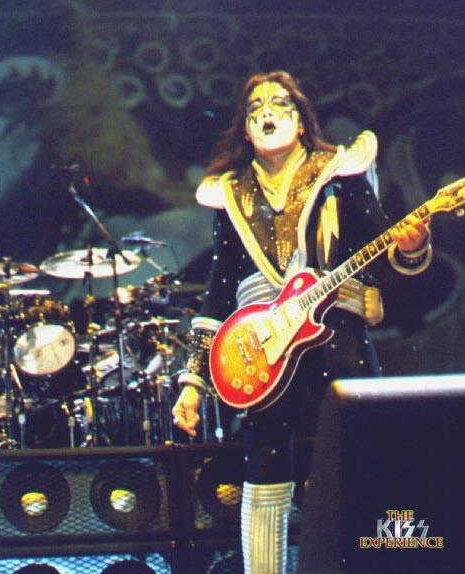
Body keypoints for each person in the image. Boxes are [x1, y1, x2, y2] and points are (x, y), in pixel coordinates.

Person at [172, 71, 431, 574]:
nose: (266, 113)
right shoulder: (231, 194)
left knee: (364, 456)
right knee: (264, 469)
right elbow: (219, 291)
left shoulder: (340, 172)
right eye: (255, 109)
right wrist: (193, 383)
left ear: (301, 120)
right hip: (262, 351)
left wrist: (413, 246)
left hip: (337, 335)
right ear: (245, 130)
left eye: (279, 104)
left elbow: (385, 251)